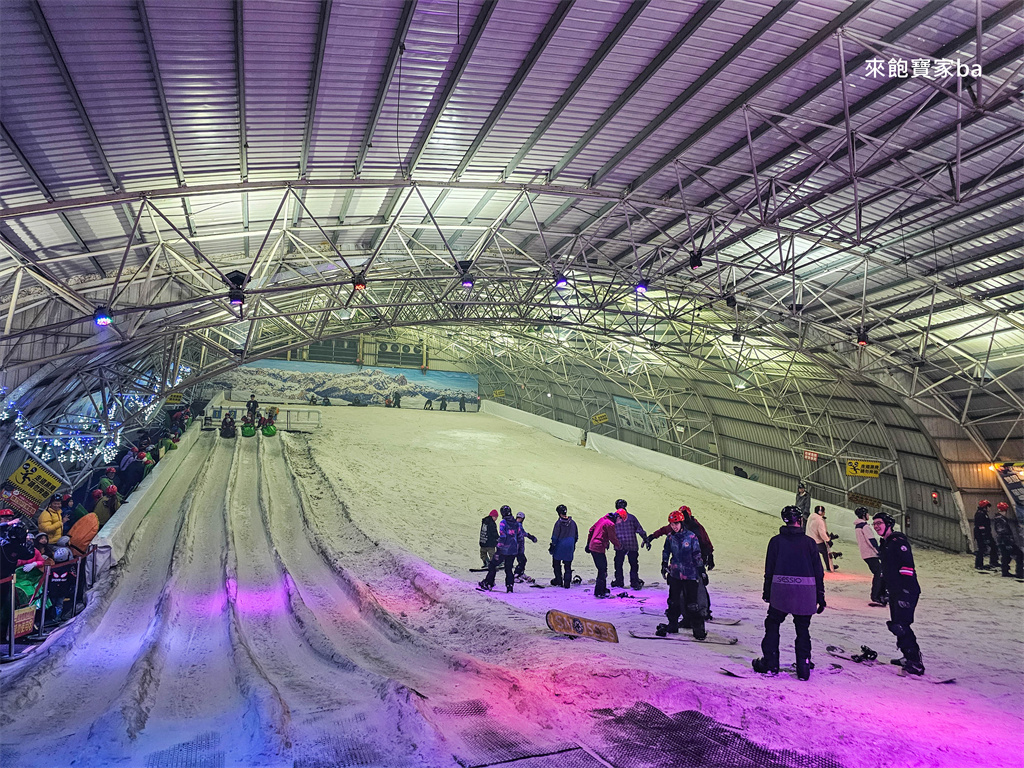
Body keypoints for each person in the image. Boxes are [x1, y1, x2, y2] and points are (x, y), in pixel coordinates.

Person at [752, 506, 825, 680]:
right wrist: (820, 596)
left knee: (773, 623)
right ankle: (804, 666)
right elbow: (818, 571)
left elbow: (769, 569)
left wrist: (767, 591)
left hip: (781, 591)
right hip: (806, 592)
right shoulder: (809, 543)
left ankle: (770, 663)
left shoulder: (776, 541)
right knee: (802, 629)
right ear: (799, 520)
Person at [873, 511, 925, 676]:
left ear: (888, 524)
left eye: (879, 523)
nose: (876, 527)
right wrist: (882, 588)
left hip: (906, 590)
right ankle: (906, 655)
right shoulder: (885, 543)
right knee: (897, 624)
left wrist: (904, 591)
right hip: (895, 590)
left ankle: (915, 661)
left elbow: (907, 567)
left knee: (901, 625)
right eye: (874, 524)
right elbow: (885, 569)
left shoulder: (898, 541)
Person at [658, 510, 708, 640]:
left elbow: (697, 554)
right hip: (675, 574)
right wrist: (664, 564)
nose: (674, 526)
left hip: (690, 574)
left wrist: (701, 570)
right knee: (673, 601)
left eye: (676, 523)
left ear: (681, 523)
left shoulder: (691, 537)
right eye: (672, 524)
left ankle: (698, 630)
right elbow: (666, 551)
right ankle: (672, 625)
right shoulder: (670, 537)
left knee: (692, 603)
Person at [480, 506, 524, 593]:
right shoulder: (515, 523)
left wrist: (498, 550)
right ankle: (509, 586)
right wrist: (518, 550)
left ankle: (489, 583)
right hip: (513, 550)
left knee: (492, 565)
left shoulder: (503, 523)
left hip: (504, 550)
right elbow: (519, 536)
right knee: (508, 569)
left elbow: (503, 537)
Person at [610, 499, 650, 591]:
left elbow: (609, 530)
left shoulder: (614, 518)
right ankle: (634, 582)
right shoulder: (632, 518)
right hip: (632, 544)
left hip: (619, 545)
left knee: (618, 564)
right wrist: (646, 539)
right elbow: (640, 530)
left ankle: (619, 581)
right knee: (633, 564)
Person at [585, 509, 621, 598]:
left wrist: (588, 543)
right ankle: (599, 591)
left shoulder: (602, 519)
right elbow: (613, 537)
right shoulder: (610, 524)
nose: (620, 523)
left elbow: (591, 529)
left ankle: (602, 589)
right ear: (618, 517)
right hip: (598, 547)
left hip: (593, 546)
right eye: (620, 520)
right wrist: (619, 546)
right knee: (602, 569)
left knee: (602, 568)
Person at [854, 507, 886, 605]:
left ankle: (880, 593)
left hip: (865, 553)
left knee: (879, 572)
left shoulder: (858, 526)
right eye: (867, 514)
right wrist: (878, 551)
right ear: (864, 515)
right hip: (871, 553)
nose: (868, 515)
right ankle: (876, 596)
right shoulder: (864, 526)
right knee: (879, 573)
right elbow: (871, 540)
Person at [992, 501, 1023, 579]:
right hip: (1006, 541)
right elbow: (1002, 532)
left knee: (1006, 556)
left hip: (1004, 541)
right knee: (1019, 555)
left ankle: (1005, 571)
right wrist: (1008, 543)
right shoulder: (1001, 520)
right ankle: (1019, 572)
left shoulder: (1000, 519)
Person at [549, 504, 578, 588]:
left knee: (556, 563)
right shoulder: (573, 523)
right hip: (570, 546)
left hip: (560, 546)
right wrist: (573, 544)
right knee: (568, 565)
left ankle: (558, 580)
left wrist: (552, 545)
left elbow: (555, 536)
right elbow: (576, 536)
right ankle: (567, 583)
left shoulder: (558, 523)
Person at [806, 505, 836, 572]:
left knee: (810, 554)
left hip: (809, 539)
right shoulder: (820, 520)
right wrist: (828, 540)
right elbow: (822, 532)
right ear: (820, 512)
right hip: (817, 541)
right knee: (825, 553)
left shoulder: (811, 516)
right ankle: (829, 566)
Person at [973, 500, 999, 570]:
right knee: (981, 549)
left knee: (993, 546)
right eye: (988, 507)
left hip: (985, 534)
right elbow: (980, 526)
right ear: (985, 507)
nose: (989, 508)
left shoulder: (984, 514)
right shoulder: (980, 514)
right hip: (981, 534)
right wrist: (984, 535)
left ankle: (993, 561)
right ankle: (979, 564)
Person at [513, 511, 538, 577]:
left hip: (518, 546)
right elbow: (523, 533)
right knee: (522, 560)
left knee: (522, 560)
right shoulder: (517, 525)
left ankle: (520, 573)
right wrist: (531, 537)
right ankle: (517, 573)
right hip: (518, 547)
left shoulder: (516, 524)